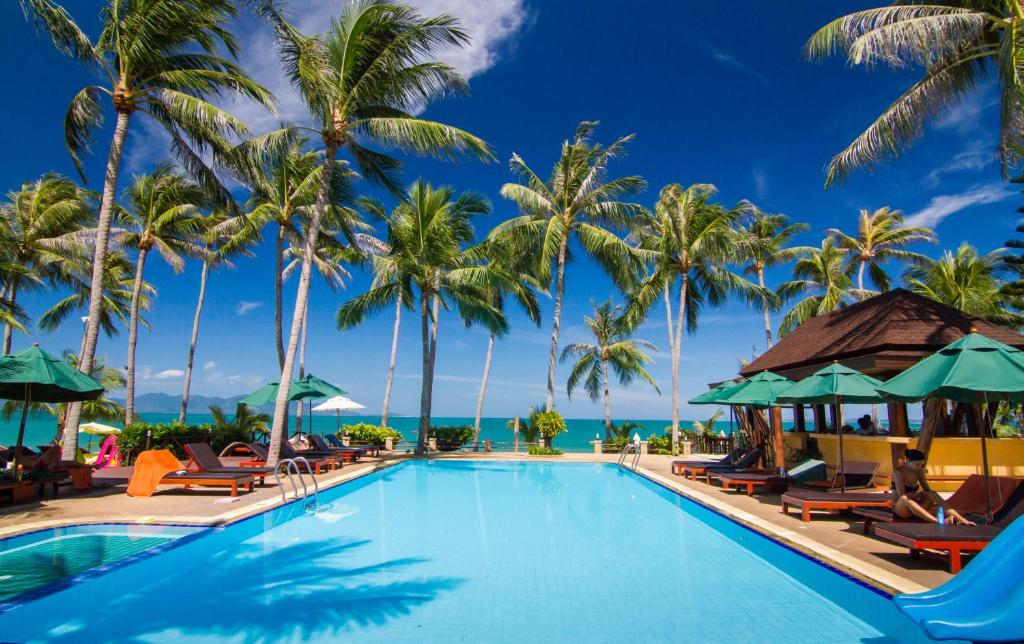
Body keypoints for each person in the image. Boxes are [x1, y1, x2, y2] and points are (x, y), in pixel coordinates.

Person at [893, 449, 974, 525]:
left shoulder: (919, 472)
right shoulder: (898, 473)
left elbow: (927, 491)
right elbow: (901, 495)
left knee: (932, 493)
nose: (919, 467)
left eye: (921, 465)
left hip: (915, 508)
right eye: (917, 464)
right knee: (904, 498)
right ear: (908, 461)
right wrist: (919, 494)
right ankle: (939, 522)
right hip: (901, 509)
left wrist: (926, 494)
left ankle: (961, 519)